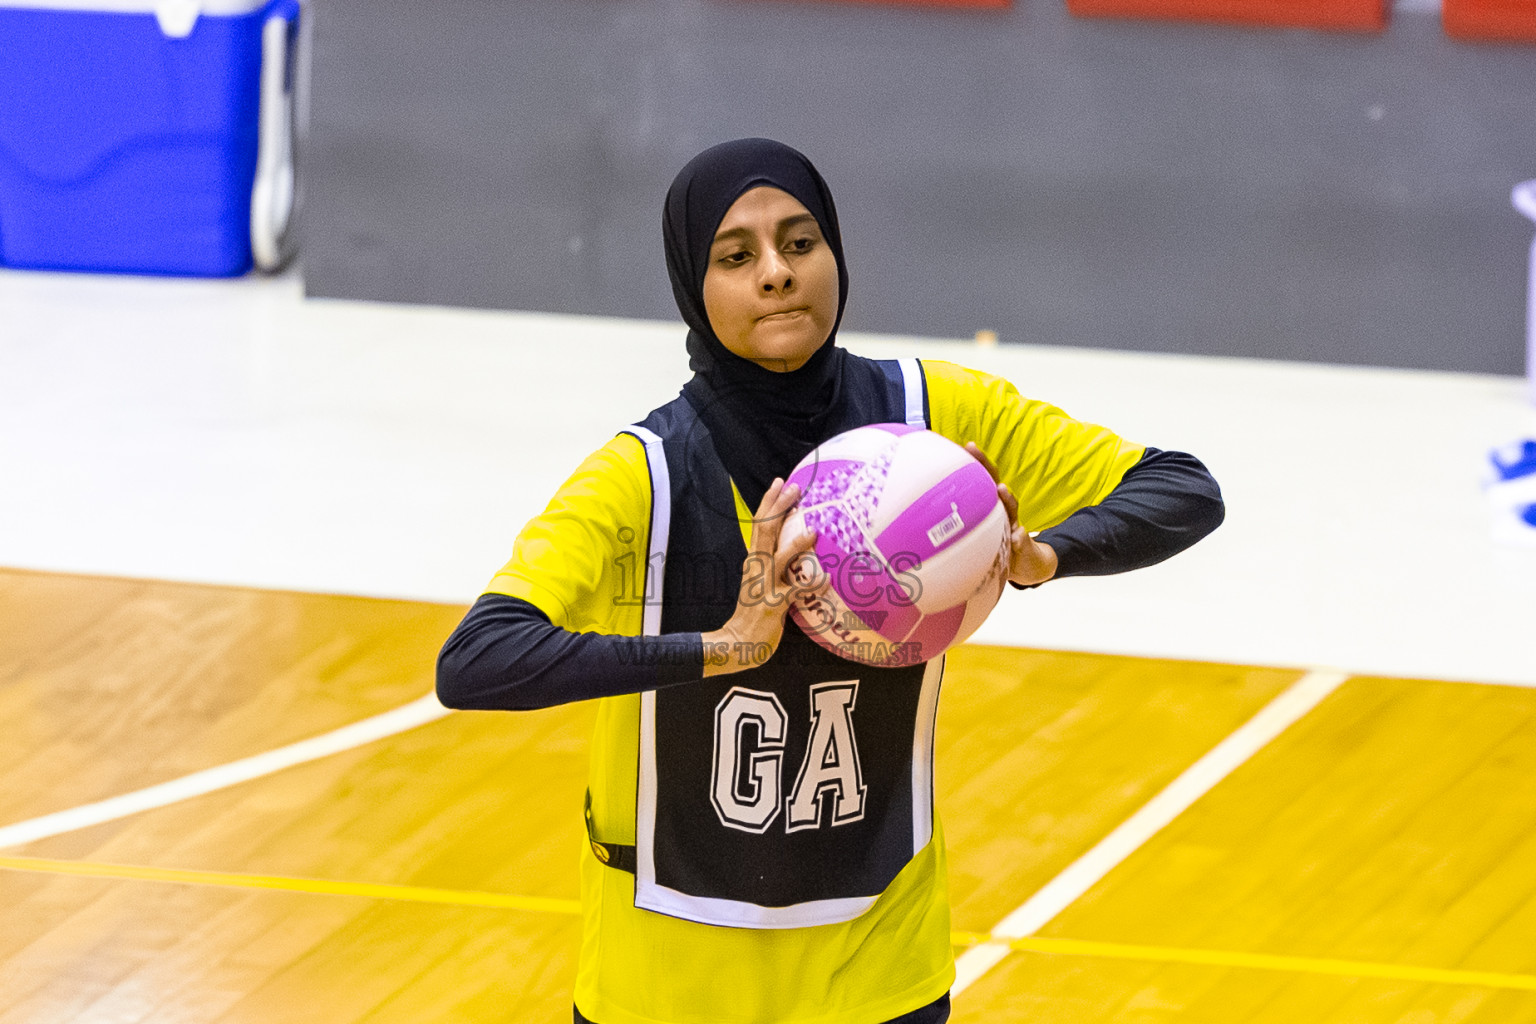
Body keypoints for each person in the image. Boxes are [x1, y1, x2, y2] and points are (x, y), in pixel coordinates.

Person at [437, 138, 1224, 1024]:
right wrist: (720, 647)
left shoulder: (934, 426)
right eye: (737, 257)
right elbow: (475, 662)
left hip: (880, 974)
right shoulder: (644, 477)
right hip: (666, 988)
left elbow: (1183, 489)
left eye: (801, 243)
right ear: (691, 287)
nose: (776, 274)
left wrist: (1040, 555)